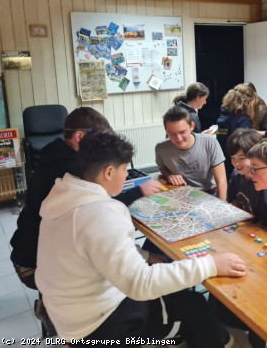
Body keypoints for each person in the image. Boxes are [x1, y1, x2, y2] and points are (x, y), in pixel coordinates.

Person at [35, 132, 246, 344]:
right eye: (124, 169)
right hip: (98, 325)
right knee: (195, 305)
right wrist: (211, 265)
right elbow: (140, 284)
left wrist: (145, 255)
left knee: (176, 287)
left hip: (67, 313)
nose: (126, 175)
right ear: (109, 172)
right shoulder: (100, 213)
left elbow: (96, 246)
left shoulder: (65, 195)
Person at [10, 107, 162, 290]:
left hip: (28, 251)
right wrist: (138, 191)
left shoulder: (55, 151)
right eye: (98, 140)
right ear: (79, 136)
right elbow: (99, 212)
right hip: (33, 265)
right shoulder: (70, 169)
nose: (102, 146)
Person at [155, 105, 227, 200]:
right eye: (172, 134)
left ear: (192, 126)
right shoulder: (160, 148)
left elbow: (221, 180)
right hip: (180, 192)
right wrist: (169, 175)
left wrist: (221, 204)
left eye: (182, 132)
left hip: (208, 192)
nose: (178, 139)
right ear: (166, 131)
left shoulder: (210, 142)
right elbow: (161, 167)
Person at [226, 129, 267, 232]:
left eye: (241, 158)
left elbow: (266, 222)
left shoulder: (264, 183)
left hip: (260, 231)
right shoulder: (236, 175)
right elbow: (233, 201)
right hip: (243, 227)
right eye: (233, 158)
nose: (236, 163)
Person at [216, 84, 257, 178]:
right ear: (247, 102)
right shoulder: (243, 120)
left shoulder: (222, 118)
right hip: (238, 163)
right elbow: (246, 146)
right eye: (252, 102)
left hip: (223, 159)